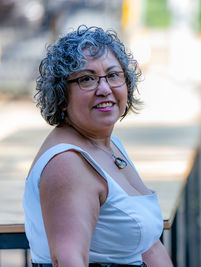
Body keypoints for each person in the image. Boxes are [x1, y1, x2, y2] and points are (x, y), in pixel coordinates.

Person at [23, 25, 173, 267]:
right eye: (87, 79)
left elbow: (148, 244)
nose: (104, 89)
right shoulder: (67, 163)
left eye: (113, 75)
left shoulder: (109, 144)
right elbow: (69, 260)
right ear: (61, 96)